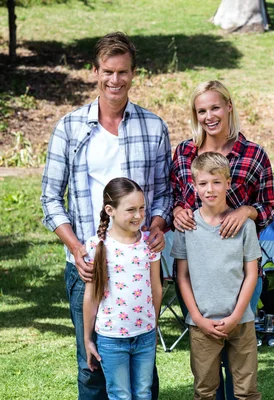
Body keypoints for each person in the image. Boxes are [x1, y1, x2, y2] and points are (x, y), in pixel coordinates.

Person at [41, 32, 172, 399]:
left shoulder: (153, 126)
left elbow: (164, 193)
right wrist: (77, 247)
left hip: (137, 262)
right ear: (94, 71)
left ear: (134, 73)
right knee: (92, 365)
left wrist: (158, 225)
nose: (115, 80)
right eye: (108, 71)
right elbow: (50, 198)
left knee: (143, 366)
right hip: (89, 267)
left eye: (124, 72)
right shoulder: (69, 128)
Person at [170, 80, 274, 399]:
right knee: (206, 375)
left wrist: (246, 210)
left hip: (240, 270)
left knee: (241, 373)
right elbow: (175, 197)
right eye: (201, 110)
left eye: (215, 107)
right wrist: (177, 209)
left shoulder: (253, 154)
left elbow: (271, 206)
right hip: (198, 271)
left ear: (229, 106)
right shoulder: (184, 152)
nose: (209, 116)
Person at [172, 152, 262, 400]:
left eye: (216, 182)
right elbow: (182, 277)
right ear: (194, 186)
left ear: (228, 183)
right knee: (204, 391)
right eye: (203, 183)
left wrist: (235, 316)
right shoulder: (187, 226)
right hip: (202, 325)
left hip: (241, 323)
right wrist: (198, 319)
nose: (210, 189)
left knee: (247, 391)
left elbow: (251, 273)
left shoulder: (245, 225)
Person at [83, 178, 162, 400]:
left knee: (143, 393)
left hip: (145, 336)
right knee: (120, 395)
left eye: (142, 208)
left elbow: (156, 288)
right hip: (111, 338)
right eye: (130, 210)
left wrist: (153, 325)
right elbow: (91, 297)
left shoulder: (149, 243)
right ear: (110, 210)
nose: (138, 215)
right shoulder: (97, 246)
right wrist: (88, 339)